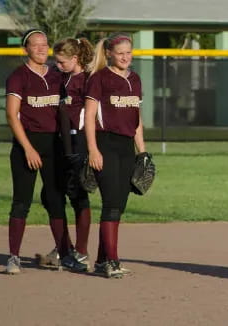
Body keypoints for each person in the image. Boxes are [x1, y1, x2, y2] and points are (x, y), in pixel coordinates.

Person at [4, 29, 68, 274]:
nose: (42, 49)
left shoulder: (56, 75)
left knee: (55, 200)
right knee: (21, 201)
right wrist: (28, 148)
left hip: (53, 145)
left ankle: (61, 252)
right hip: (26, 145)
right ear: (25, 49)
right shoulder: (19, 76)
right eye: (36, 45)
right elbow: (11, 114)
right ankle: (13, 257)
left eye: (45, 44)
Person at [84, 33, 147, 278]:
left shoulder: (135, 79)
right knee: (110, 204)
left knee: (119, 204)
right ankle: (112, 260)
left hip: (125, 147)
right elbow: (89, 116)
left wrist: (142, 151)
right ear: (109, 53)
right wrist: (92, 149)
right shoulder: (99, 78)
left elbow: (137, 119)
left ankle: (101, 260)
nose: (125, 57)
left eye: (128, 52)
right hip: (105, 143)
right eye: (120, 52)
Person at [35, 37, 95, 272]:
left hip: (78, 142)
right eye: (55, 61)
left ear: (75, 58)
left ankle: (80, 252)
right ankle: (64, 249)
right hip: (59, 143)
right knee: (50, 195)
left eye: (62, 62)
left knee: (78, 194)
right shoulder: (60, 79)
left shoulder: (87, 80)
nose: (57, 65)